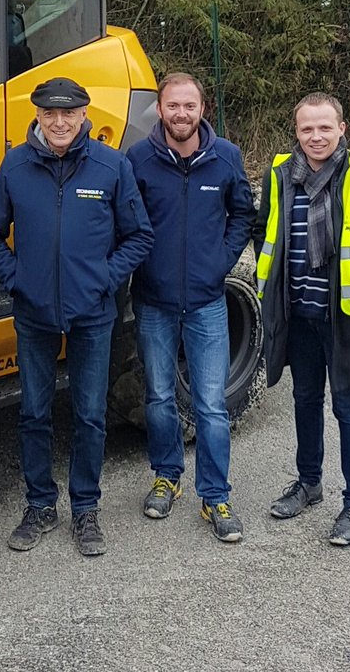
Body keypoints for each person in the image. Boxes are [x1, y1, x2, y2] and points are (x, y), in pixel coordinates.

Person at [0, 77, 153, 556]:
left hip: (93, 313)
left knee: (90, 414)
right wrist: (18, 279)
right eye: (49, 114)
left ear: (83, 116)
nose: (59, 122)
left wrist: (103, 279)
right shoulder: (16, 165)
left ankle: (86, 508)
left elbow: (139, 236)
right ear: (37, 116)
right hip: (33, 313)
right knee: (34, 413)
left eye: (68, 113)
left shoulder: (111, 165)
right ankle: (39, 505)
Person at [255, 92, 350, 546]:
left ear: (342, 128)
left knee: (348, 408)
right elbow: (264, 230)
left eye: (325, 127)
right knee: (304, 400)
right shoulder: (280, 174)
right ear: (296, 131)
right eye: (307, 128)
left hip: (344, 318)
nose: (316, 137)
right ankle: (309, 483)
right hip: (298, 313)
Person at [125, 73, 256, 542]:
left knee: (211, 405)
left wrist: (221, 262)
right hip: (154, 302)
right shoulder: (138, 159)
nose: (181, 113)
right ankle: (167, 477)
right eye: (172, 105)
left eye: (189, 105)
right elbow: (126, 221)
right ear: (159, 109)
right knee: (159, 397)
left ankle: (215, 496)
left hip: (207, 303)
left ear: (203, 109)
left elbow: (243, 214)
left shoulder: (226, 157)